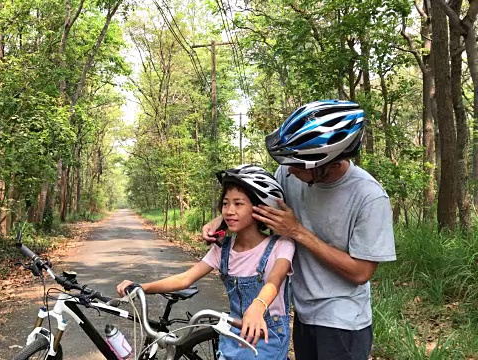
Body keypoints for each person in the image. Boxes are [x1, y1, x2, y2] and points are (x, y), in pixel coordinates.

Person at [203, 100, 396, 360]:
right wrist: (222, 221)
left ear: (328, 162)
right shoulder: (289, 172)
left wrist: (297, 232)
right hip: (302, 314)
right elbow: (258, 202)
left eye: (298, 164)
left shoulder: (369, 197)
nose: (289, 171)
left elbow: (361, 272)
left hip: (343, 322)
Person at [117, 164, 295, 360]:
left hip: (266, 336)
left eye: (238, 204)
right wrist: (141, 287)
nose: (229, 211)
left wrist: (258, 306)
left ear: (260, 207)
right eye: (225, 204)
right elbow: (185, 278)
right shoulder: (223, 249)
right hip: (232, 333)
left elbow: (274, 282)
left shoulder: (281, 245)